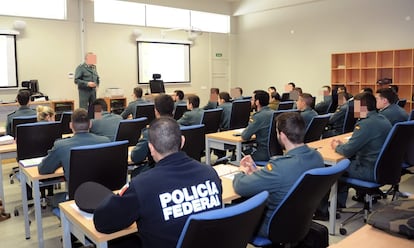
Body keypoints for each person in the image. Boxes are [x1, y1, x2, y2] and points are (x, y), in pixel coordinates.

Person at [93, 117, 223, 247]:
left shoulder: (142, 185)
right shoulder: (210, 173)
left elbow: (102, 222)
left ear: (151, 148)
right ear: (182, 141)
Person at [233, 112, 324, 236]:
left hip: (272, 225)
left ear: (282, 136)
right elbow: (286, 177)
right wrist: (259, 173)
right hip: (301, 221)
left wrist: (241, 172)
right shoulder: (317, 157)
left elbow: (241, 187)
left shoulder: (280, 166)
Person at [331, 92, 392, 207]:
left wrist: (337, 146)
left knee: (334, 168)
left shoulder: (366, 124)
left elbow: (347, 151)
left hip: (369, 170)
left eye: (355, 107)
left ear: (362, 108)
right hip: (383, 168)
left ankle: (328, 209)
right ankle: (352, 197)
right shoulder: (382, 119)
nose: (354, 110)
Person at [38, 108, 111, 182]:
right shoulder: (106, 142)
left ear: (70, 125)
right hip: (105, 192)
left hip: (77, 193)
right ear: (90, 124)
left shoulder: (61, 146)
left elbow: (43, 169)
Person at [130, 94, 174, 176]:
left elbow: (136, 157)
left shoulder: (150, 131)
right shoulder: (179, 127)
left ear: (156, 111)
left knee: (135, 173)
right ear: (173, 110)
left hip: (157, 171)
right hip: (176, 168)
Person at [241, 90, 273, 161]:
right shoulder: (274, 113)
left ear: (257, 102)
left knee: (237, 157)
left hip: (262, 153)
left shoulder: (258, 117)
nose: (251, 101)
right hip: (274, 153)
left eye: (252, 99)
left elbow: (245, 136)